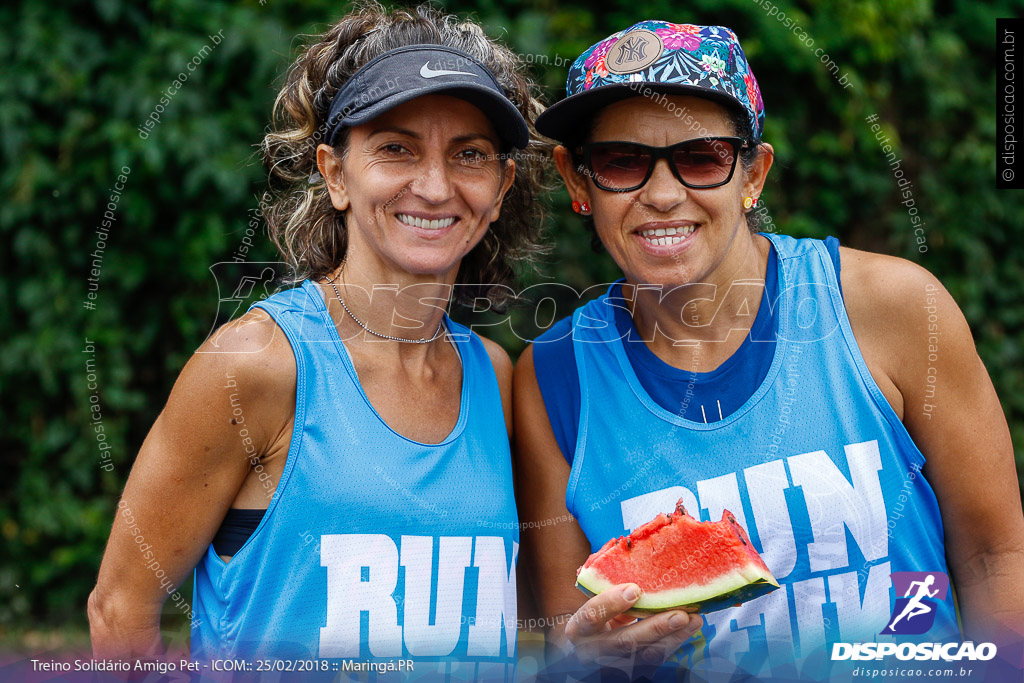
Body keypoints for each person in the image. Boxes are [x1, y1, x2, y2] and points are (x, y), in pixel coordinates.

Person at [515, 19, 1024, 681]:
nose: (664, 195)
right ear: (577, 181)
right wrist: (584, 654)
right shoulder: (553, 378)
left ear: (753, 173)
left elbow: (995, 555)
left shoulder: (893, 306)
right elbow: (564, 634)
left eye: (702, 157)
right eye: (621, 161)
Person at [88, 4, 546, 678]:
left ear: (501, 187)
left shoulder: (494, 375)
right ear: (335, 173)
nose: (435, 185)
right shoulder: (258, 365)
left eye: (470, 154)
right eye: (396, 148)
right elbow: (119, 608)